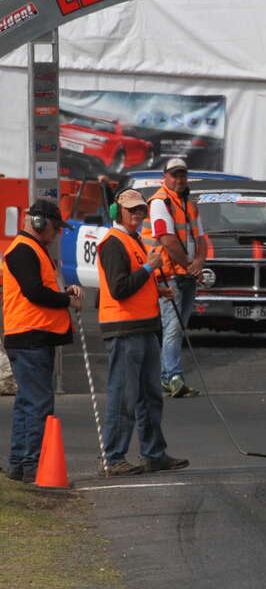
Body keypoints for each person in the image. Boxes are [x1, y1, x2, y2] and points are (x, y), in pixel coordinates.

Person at [98, 189, 189, 476]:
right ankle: (114, 458)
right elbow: (119, 288)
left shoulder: (133, 240)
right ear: (117, 212)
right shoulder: (113, 243)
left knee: (150, 396)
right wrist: (151, 267)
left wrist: (154, 288)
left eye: (140, 210)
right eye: (132, 210)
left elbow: (134, 283)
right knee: (123, 396)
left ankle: (154, 453)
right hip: (124, 329)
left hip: (145, 326)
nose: (138, 214)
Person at [3, 200, 82, 483]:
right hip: (29, 336)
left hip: (31, 335)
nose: (57, 233)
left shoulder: (33, 250)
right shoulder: (24, 250)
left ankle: (20, 464)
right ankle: (32, 465)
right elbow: (34, 292)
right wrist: (67, 300)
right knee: (38, 404)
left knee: (28, 402)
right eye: (55, 227)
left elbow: (42, 288)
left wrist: (64, 291)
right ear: (40, 222)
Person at [140, 158, 205, 398]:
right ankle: (173, 377)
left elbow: (201, 238)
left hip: (185, 273)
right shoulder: (160, 202)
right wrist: (190, 265)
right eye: (174, 175)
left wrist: (199, 262)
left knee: (177, 326)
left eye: (182, 175)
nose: (179, 180)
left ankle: (167, 377)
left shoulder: (189, 202)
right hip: (168, 275)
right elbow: (167, 240)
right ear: (165, 177)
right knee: (173, 327)